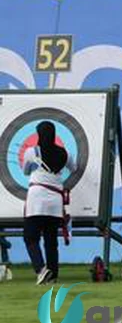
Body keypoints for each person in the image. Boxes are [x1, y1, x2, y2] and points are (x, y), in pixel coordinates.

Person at [22, 121, 76, 285]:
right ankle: (53, 276)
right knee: (51, 241)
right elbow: (73, 168)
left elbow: (25, 171)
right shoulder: (64, 153)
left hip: (36, 200)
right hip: (55, 203)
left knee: (30, 238)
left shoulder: (32, 151)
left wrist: (35, 165)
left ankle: (41, 270)